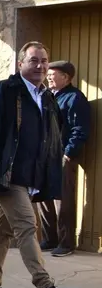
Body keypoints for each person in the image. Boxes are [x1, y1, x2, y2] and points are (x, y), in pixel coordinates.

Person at [0, 42, 78, 288]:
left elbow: (49, 138)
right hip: (8, 176)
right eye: (33, 60)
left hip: (31, 176)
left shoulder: (46, 97)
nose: (40, 66)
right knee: (27, 226)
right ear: (20, 63)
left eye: (44, 61)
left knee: (3, 232)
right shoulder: (3, 91)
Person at [39, 60, 90, 258]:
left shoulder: (75, 98)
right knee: (42, 198)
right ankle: (49, 239)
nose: (49, 77)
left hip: (61, 156)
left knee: (63, 200)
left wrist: (68, 153)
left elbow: (80, 129)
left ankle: (66, 243)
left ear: (66, 78)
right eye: (48, 74)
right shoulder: (47, 96)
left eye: (53, 74)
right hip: (42, 155)